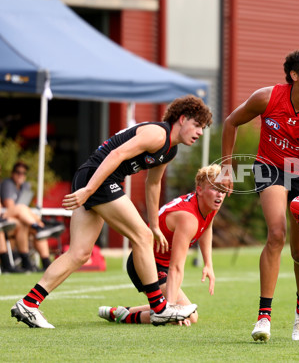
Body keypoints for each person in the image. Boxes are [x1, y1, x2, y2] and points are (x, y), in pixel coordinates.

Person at [10, 94, 212, 328]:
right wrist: (89, 190)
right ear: (182, 119)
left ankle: (29, 303)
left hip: (94, 180)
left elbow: (153, 183)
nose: (199, 132)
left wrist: (155, 224)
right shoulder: (158, 134)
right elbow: (116, 155)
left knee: (80, 253)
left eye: (203, 128)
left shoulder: (170, 150)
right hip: (97, 179)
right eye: (197, 125)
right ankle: (159, 308)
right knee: (142, 236)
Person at [221, 48, 299, 341]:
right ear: (294, 75)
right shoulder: (267, 97)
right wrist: (226, 167)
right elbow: (230, 123)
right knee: (276, 234)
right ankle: (264, 317)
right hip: (269, 167)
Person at [97, 165, 225, 325]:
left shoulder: (209, 204)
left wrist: (208, 264)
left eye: (223, 189)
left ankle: (120, 312)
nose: (220, 193)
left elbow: (207, 225)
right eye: (214, 188)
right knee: (189, 316)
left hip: (159, 264)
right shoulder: (188, 218)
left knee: (186, 314)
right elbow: (176, 267)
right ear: (199, 190)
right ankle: (127, 317)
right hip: (146, 263)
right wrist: (169, 310)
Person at [0, 162, 63, 272]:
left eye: (23, 173)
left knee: (28, 224)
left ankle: (45, 263)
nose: (21, 175)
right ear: (12, 173)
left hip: (16, 221)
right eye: (18, 172)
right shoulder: (7, 184)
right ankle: (41, 225)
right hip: (6, 219)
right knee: (20, 208)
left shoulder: (24, 186)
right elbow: (11, 207)